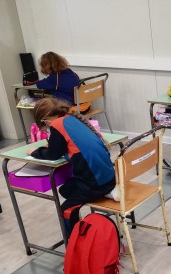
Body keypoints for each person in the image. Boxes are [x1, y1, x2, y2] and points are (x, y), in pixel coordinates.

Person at [26, 98, 115, 233]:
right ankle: (81, 219)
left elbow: (53, 155)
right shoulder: (71, 118)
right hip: (108, 178)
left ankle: (75, 239)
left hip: (95, 184)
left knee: (65, 210)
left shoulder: (57, 124)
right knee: (65, 190)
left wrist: (35, 152)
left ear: (46, 120)